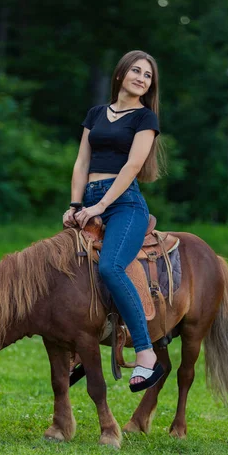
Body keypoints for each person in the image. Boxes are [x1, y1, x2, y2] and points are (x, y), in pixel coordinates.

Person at [63, 50, 165, 392]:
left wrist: (102, 204)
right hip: (90, 200)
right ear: (120, 75)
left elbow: (132, 166)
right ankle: (78, 351)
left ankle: (146, 354)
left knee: (109, 268)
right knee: (66, 269)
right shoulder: (95, 114)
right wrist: (76, 204)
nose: (141, 77)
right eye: (135, 70)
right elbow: (81, 162)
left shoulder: (145, 119)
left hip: (125, 204)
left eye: (147, 75)